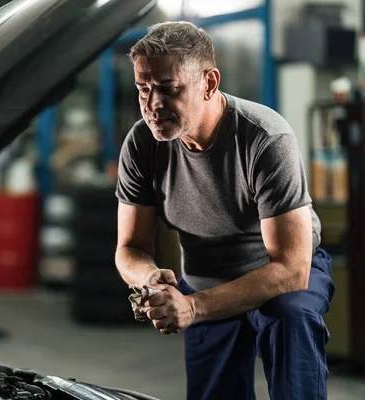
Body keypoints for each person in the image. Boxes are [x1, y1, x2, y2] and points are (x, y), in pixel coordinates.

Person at [114, 21, 335, 400]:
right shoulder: (142, 144)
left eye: (169, 89)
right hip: (205, 280)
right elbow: (129, 248)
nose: (152, 105)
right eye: (143, 89)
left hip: (281, 274)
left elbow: (292, 270)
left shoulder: (265, 138)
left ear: (209, 83)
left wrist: (193, 308)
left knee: (291, 317)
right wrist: (151, 279)